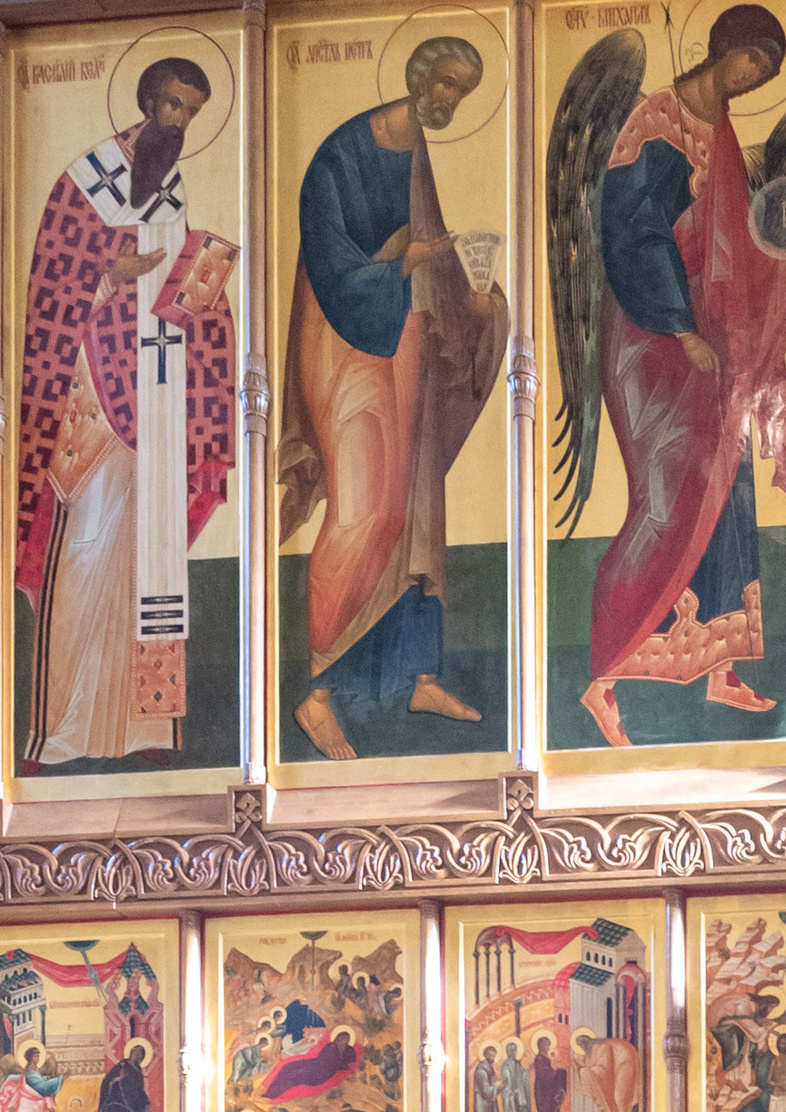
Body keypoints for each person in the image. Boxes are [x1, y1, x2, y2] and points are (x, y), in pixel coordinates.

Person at [548, 7, 786, 739]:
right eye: (751, 60)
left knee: (730, 494)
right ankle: (603, 679)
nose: (754, 76)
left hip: (711, 344)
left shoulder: (723, 136)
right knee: (665, 502)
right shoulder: (655, 123)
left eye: (767, 71)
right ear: (721, 49)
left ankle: (719, 670)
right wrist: (678, 326)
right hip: (651, 338)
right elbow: (631, 232)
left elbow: (738, 249)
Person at [277, 35, 510, 760]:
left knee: (417, 511)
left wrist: (478, 306)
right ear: (414, 77)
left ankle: (418, 677)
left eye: (460, 91)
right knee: (363, 512)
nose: (447, 99)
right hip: (344, 345)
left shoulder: (418, 154)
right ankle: (317, 693)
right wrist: (403, 261)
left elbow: (432, 263)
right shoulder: (341, 155)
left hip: (406, 341)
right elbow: (331, 264)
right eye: (441, 82)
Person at [14, 57, 237, 769]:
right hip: (90, 402)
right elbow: (49, 290)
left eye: (191, 110)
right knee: (83, 556)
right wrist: (109, 277)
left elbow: (176, 292)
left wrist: (207, 294)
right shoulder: (85, 181)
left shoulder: (170, 189)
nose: (179, 121)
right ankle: (65, 728)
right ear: (146, 100)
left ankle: (144, 727)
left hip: (158, 397)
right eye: (172, 103)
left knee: (150, 558)